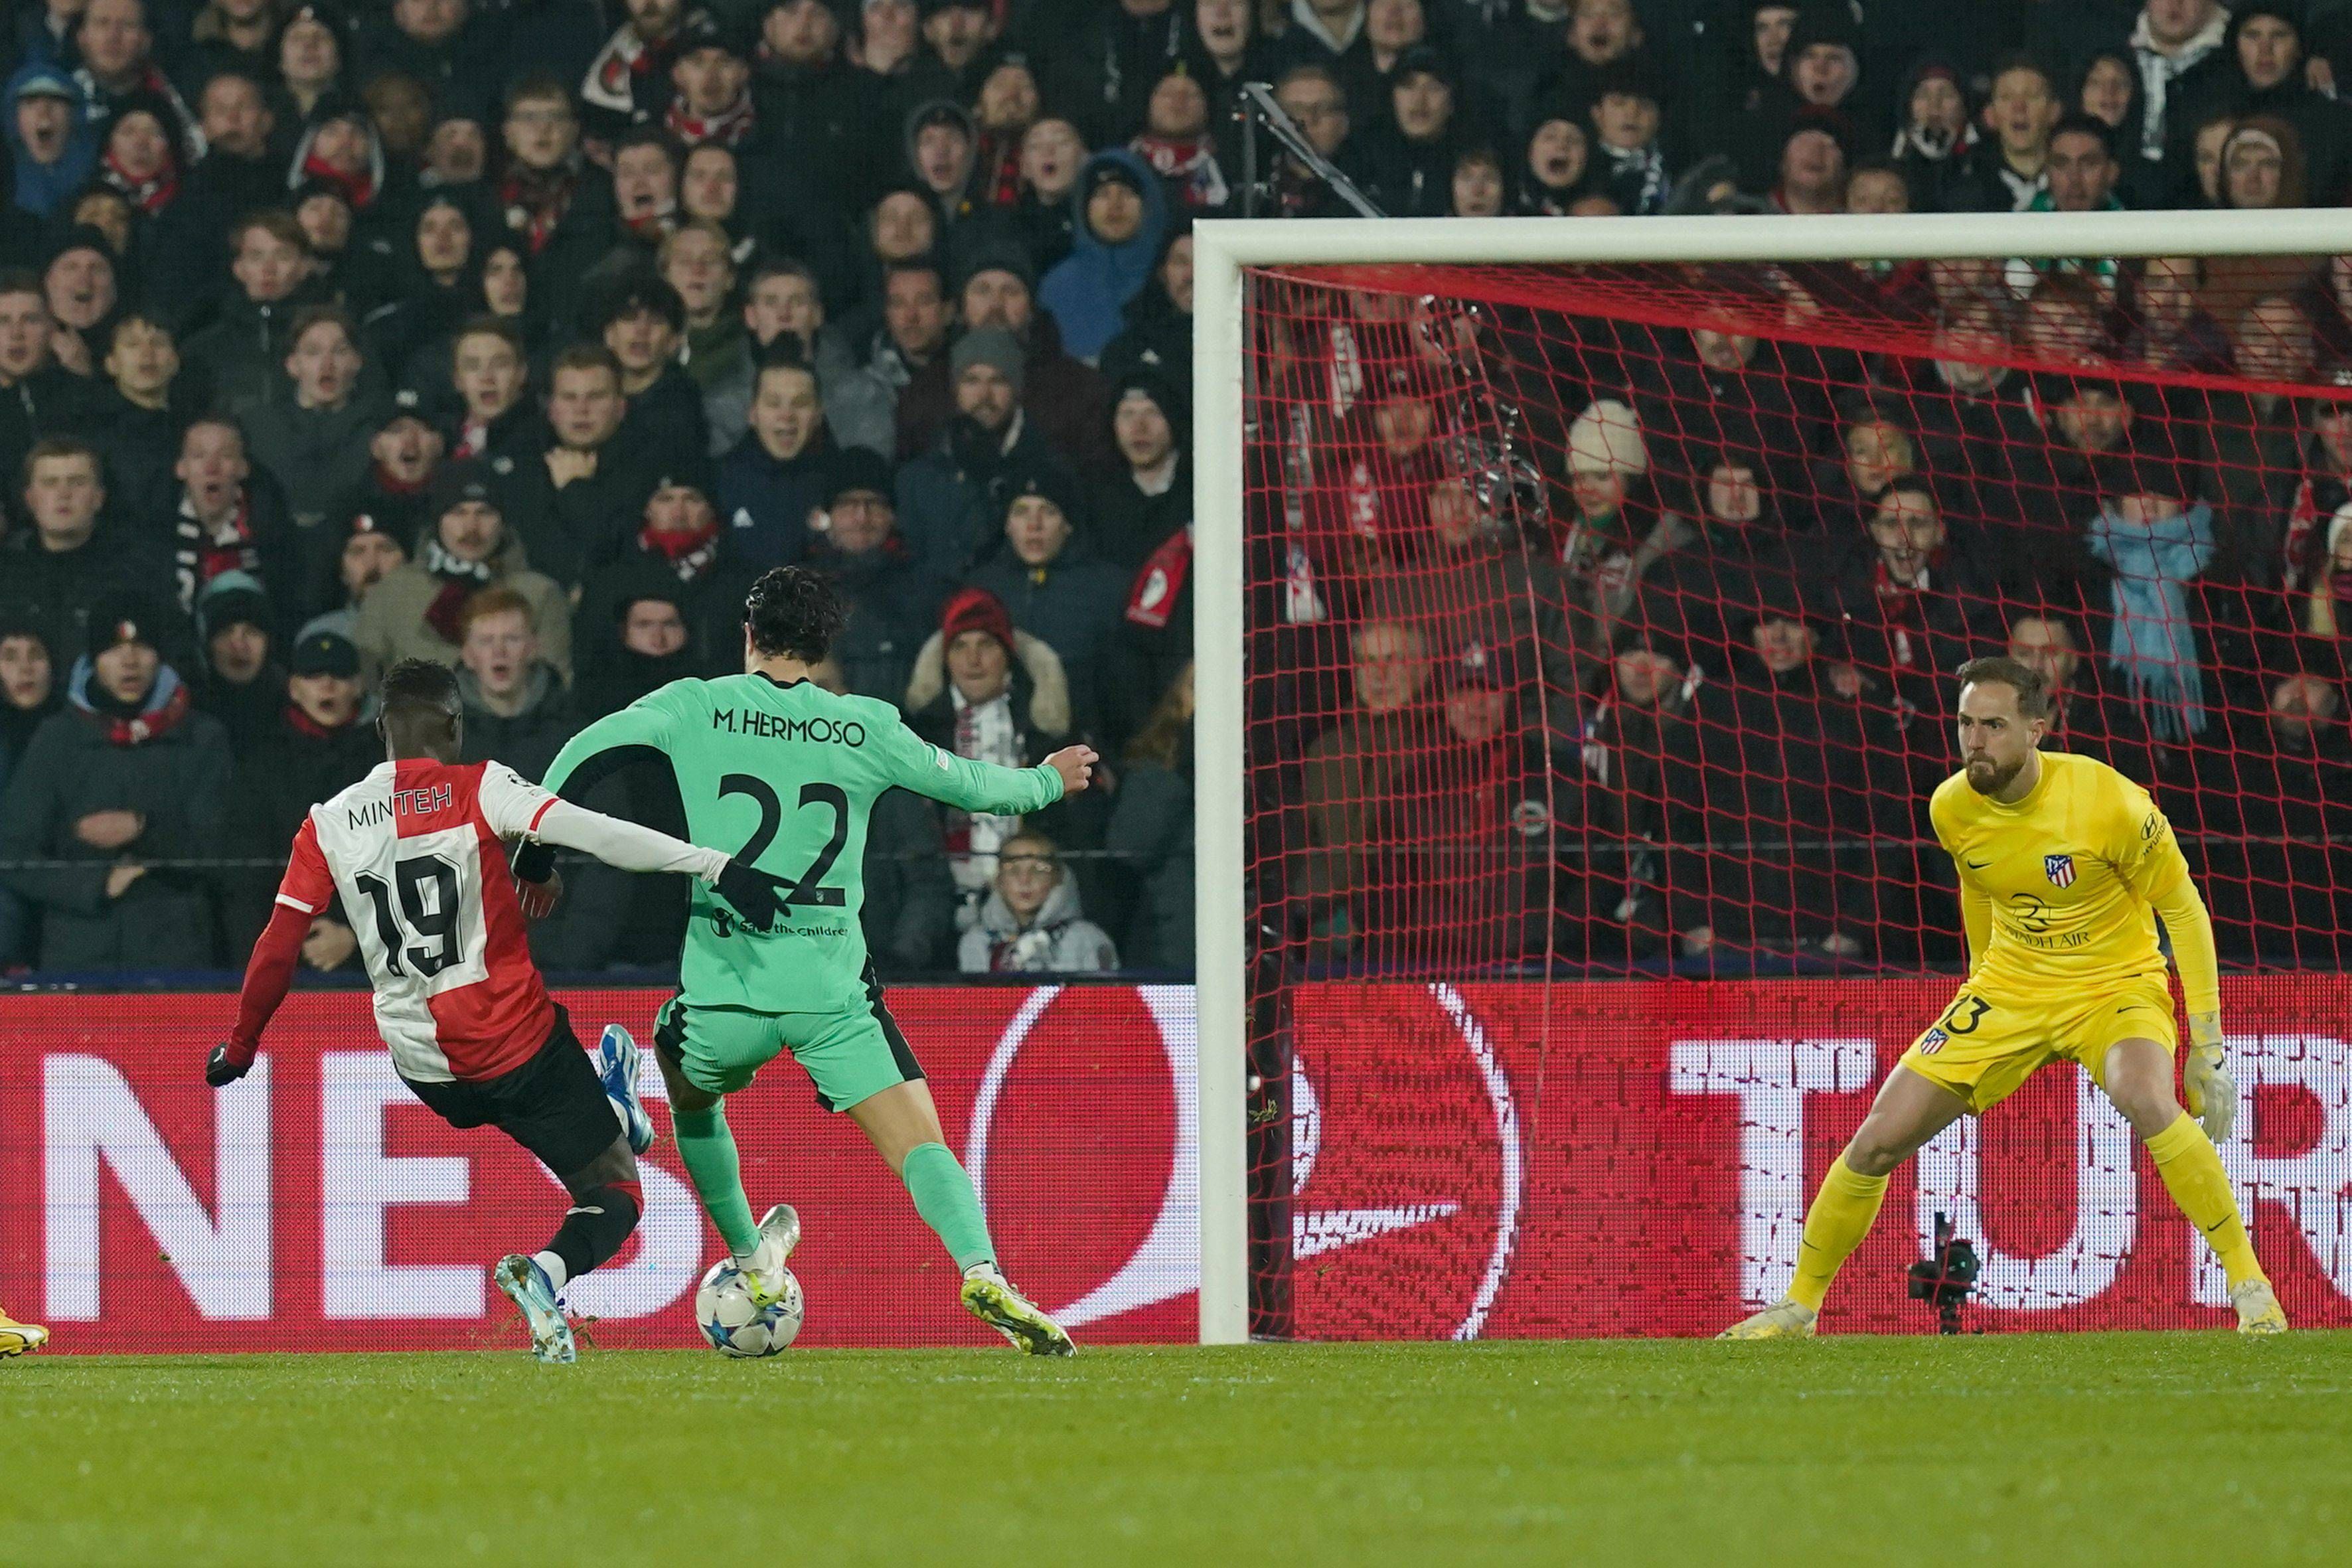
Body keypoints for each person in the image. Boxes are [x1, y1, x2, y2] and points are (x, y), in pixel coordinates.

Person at [537, 565, 1093, 1354]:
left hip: (724, 994)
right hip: (830, 991)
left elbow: (582, 756)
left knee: (688, 1092)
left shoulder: (697, 703)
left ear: (748, 636)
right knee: (922, 1144)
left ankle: (749, 1259)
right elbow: (971, 786)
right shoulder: (865, 724)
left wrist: (534, 846)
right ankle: (982, 1268)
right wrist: (1046, 781)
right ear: (825, 646)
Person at [204, 656, 793, 1364]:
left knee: (548, 1049)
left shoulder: (327, 824)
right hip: (517, 1049)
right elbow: (599, 833)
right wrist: (713, 865)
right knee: (615, 1190)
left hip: (425, 1070)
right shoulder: (480, 787)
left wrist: (239, 1047)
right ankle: (547, 1270)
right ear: (454, 724)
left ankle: (613, 1106)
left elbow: (277, 948)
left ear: (381, 729)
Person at [1721, 655, 2286, 1339]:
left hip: (2114, 985)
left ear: (2035, 730)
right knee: (1875, 1141)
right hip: (2010, 989)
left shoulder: (2111, 802)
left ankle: (2250, 1284)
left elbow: (2186, 912)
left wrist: (2209, 1045)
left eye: (1993, 724)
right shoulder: (1950, 805)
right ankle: (1799, 1307)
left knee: (2146, 1096)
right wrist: (1980, 978)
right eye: (1965, 723)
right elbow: (1979, 885)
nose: (1974, 739)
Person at [957, 828, 1118, 973]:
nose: (1025, 880)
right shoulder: (976, 941)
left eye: (1039, 869)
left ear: (1058, 878)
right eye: (1013, 869)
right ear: (999, 880)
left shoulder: (1087, 939)